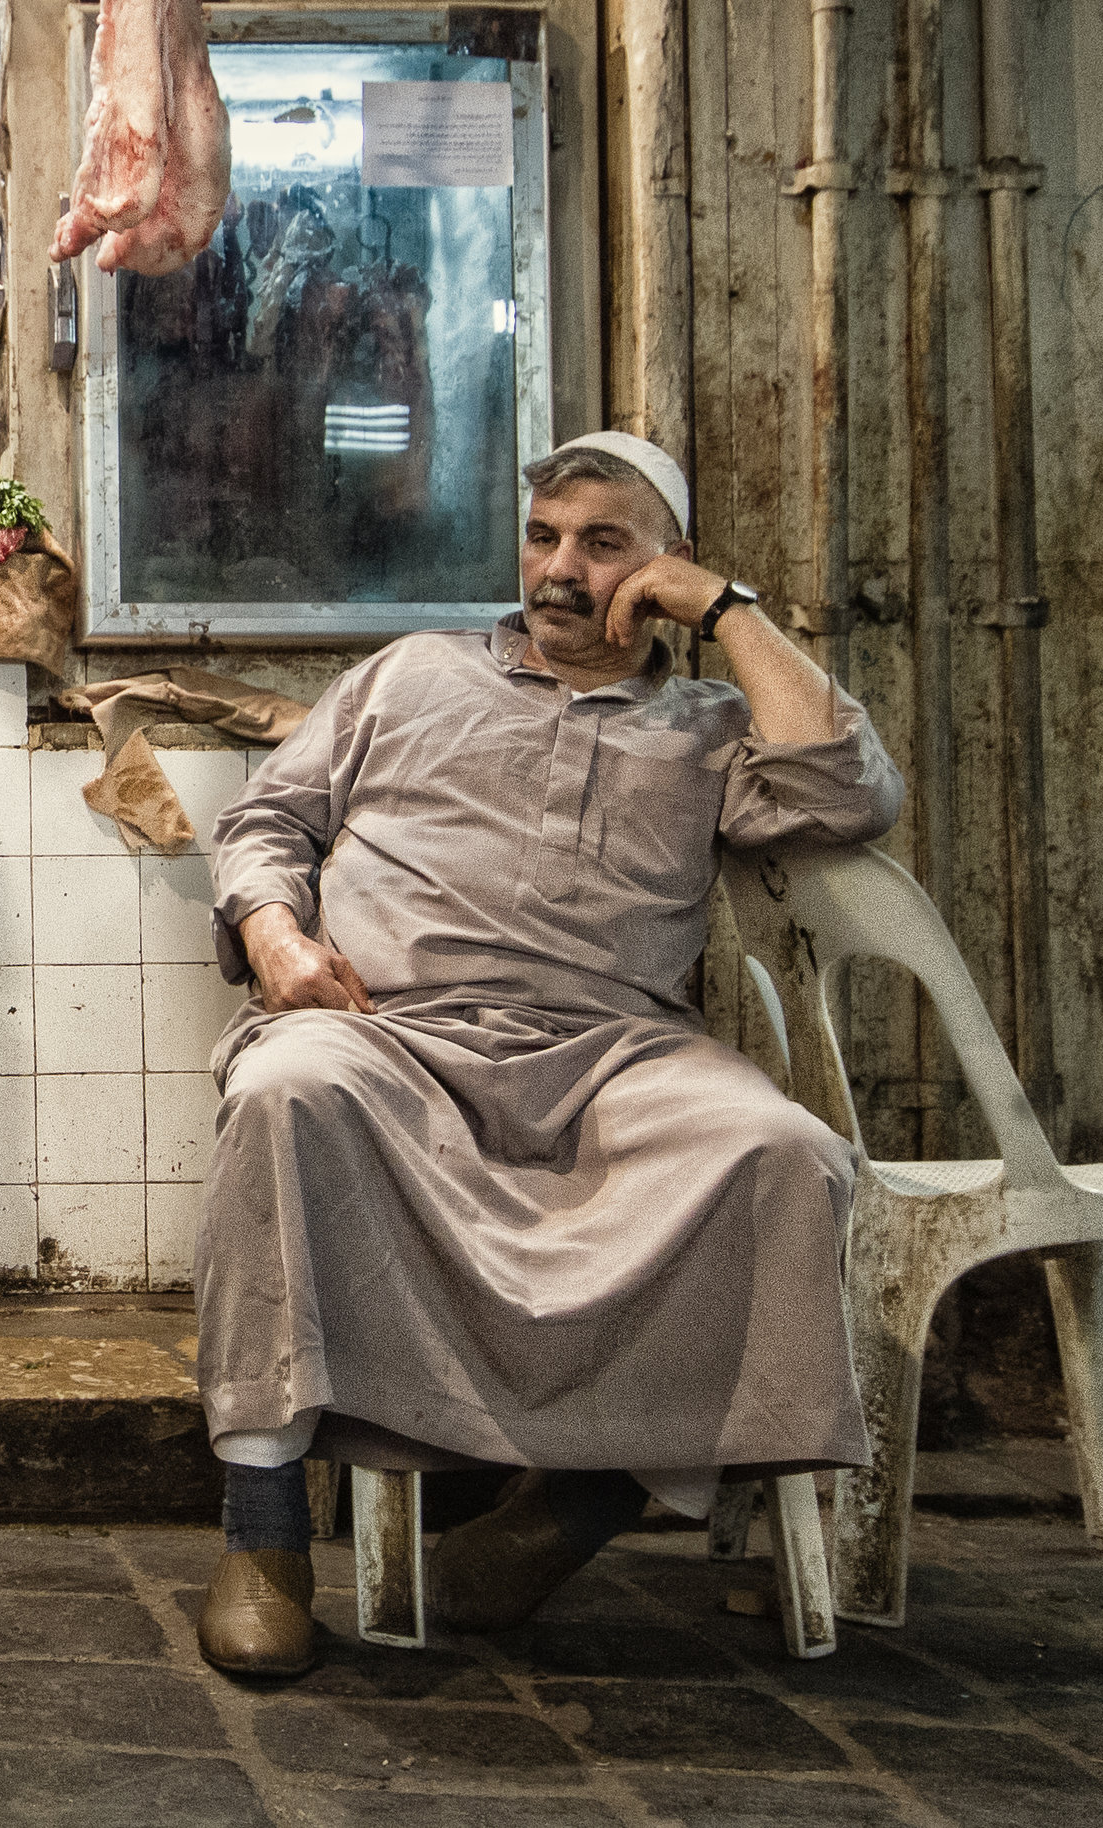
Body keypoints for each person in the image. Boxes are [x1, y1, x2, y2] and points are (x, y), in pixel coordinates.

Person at [194, 432, 904, 1676]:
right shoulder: (409, 676)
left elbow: (849, 794)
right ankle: (264, 1537)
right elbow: (268, 819)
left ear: (663, 567)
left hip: (614, 1053)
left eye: (603, 542)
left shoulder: (705, 727)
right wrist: (273, 935)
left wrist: (725, 609)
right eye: (542, 536)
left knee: (780, 1152)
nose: (559, 568)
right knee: (284, 1085)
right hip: (390, 1033)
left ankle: (576, 1508)